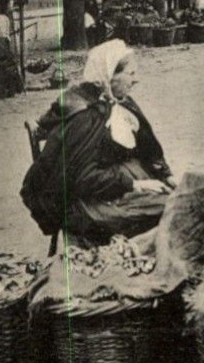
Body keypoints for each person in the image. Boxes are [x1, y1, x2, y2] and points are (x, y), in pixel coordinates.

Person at [21, 40, 174, 245]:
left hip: (112, 184)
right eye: (131, 74)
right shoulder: (85, 117)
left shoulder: (121, 102)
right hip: (85, 202)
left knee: (175, 199)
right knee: (169, 208)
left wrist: (166, 174)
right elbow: (81, 178)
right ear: (109, 76)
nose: (136, 80)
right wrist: (135, 184)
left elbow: (148, 147)